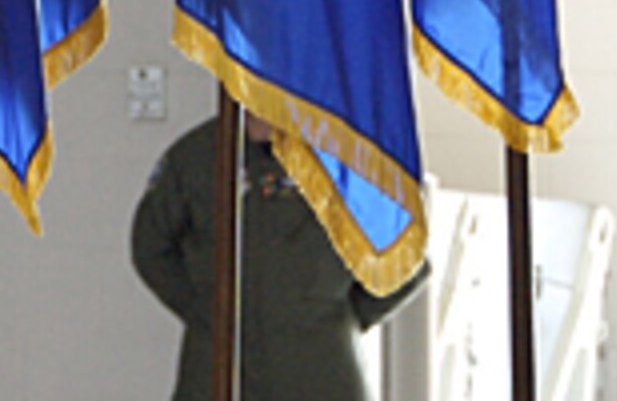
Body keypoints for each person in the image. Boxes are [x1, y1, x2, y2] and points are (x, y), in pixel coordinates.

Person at [131, 113, 428, 400]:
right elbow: (151, 249)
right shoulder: (198, 156)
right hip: (218, 367)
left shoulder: (349, 156)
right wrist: (211, 309)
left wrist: (337, 314)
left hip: (318, 372)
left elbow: (407, 261)